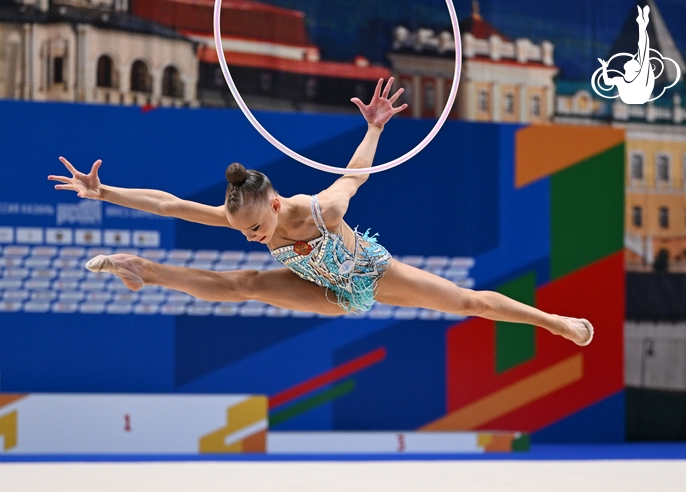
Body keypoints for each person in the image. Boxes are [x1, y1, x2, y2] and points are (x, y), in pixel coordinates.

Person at [48, 77, 593, 346]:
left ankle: (554, 323)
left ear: (277, 203)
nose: (251, 236)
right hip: (320, 289)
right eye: (242, 228)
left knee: (467, 301)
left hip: (368, 275)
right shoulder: (241, 216)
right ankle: (143, 270)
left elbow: (354, 175)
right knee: (243, 281)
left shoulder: (319, 212)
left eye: (256, 227)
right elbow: (169, 204)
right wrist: (105, 193)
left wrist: (375, 127)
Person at [598, 5, 654, 104]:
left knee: (643, 50)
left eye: (631, 61)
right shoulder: (623, 80)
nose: (630, 59)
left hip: (635, 99)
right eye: (632, 61)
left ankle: (642, 24)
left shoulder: (635, 79)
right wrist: (604, 67)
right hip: (633, 100)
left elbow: (643, 47)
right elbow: (607, 81)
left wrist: (642, 26)